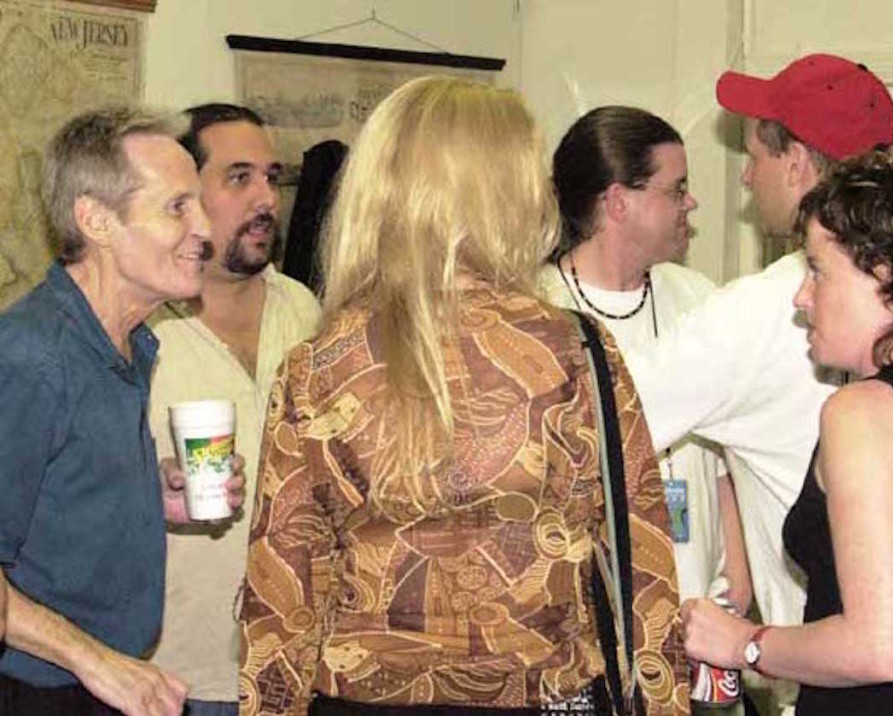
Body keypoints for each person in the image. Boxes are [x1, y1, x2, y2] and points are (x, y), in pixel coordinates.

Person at [238, 76, 690, 716]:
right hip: (544, 695)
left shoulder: (319, 365)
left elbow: (281, 600)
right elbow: (642, 563)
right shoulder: (575, 352)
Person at [681, 153, 893, 715]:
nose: (801, 297)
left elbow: (879, 647)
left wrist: (742, 643)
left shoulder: (863, 413)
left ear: (885, 278)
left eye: (817, 270)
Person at [622, 54, 893, 711]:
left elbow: (605, 418)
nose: (745, 177)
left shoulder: (761, 311)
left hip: (829, 672)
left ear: (797, 163)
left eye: (754, 156)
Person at [0, 106, 239, 716]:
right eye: (177, 207)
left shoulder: (129, 341)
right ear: (97, 221)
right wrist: (94, 660)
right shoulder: (33, 359)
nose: (205, 229)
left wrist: (146, 500)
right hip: (39, 691)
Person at [540, 106, 751, 616]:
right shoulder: (536, 309)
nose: (691, 201)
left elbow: (723, 458)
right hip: (590, 621)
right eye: (676, 188)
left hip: (702, 614)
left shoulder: (700, 299)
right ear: (618, 202)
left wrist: (739, 582)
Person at [147, 104, 321, 716]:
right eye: (239, 177)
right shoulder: (142, 331)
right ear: (186, 195)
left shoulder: (305, 312)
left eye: (273, 178)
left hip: (293, 666)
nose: (266, 199)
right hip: (170, 678)